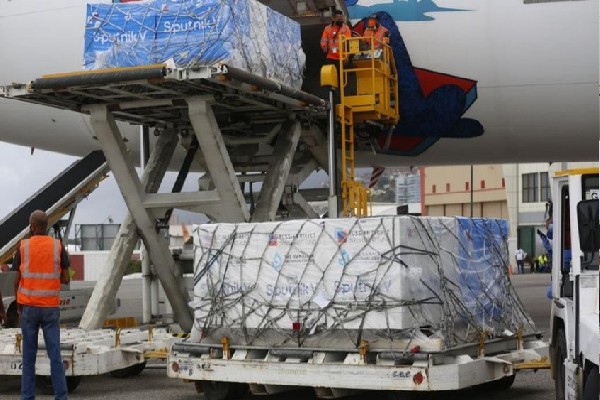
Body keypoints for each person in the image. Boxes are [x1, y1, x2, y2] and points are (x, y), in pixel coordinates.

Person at [12, 210, 70, 400]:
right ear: (46, 226)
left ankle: (27, 397)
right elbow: (66, 278)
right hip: (50, 308)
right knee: (55, 356)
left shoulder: (23, 247)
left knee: (29, 358)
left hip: (29, 308)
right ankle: (61, 397)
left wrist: (19, 307)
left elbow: (16, 280)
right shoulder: (58, 246)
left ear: (32, 226)